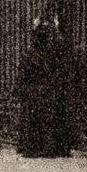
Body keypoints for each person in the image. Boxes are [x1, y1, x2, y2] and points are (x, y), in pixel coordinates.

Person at [16, 17, 72, 158]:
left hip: (32, 93)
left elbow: (22, 75)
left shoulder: (29, 55)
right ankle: (49, 149)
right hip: (47, 91)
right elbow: (61, 51)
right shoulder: (50, 54)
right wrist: (57, 28)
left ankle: (31, 149)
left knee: (32, 121)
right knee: (48, 120)